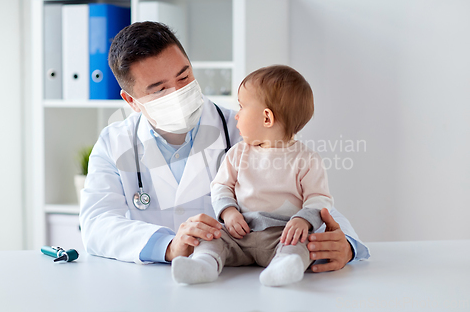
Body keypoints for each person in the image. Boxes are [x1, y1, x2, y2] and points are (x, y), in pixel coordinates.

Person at [79, 21, 370, 272]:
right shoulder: (113, 143)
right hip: (156, 287)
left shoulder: (246, 129)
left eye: (184, 76)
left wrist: (348, 245)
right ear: (131, 101)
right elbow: (98, 224)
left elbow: (311, 197)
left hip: (242, 287)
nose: (179, 92)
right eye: (160, 89)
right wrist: (169, 245)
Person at [172, 65, 333, 286]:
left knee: (301, 243)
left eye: (242, 106)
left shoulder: (307, 159)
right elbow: (221, 186)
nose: (236, 115)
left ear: (266, 118)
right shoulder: (238, 153)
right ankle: (204, 265)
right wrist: (228, 212)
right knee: (212, 237)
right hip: (239, 232)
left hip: (282, 234)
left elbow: (319, 199)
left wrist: (302, 220)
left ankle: (284, 266)